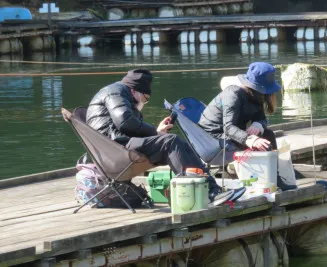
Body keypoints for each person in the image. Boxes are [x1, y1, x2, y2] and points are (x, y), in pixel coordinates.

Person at [86, 69, 225, 201]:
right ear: (134, 90)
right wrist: (155, 133)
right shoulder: (115, 92)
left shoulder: (122, 94)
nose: (144, 103)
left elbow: (126, 128)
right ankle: (197, 190)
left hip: (115, 144)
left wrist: (157, 132)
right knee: (171, 142)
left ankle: (212, 188)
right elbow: (125, 122)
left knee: (178, 143)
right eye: (145, 99)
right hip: (112, 148)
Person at [198, 62, 297, 190]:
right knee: (260, 143)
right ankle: (260, 178)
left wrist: (258, 125)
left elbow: (262, 119)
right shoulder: (233, 94)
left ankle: (274, 178)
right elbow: (228, 128)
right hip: (213, 137)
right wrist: (250, 139)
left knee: (268, 135)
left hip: (234, 133)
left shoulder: (257, 96)